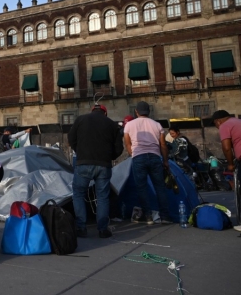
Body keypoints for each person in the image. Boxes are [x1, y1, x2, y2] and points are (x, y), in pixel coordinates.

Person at [68, 104, 123, 238]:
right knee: (102, 197)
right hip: (104, 165)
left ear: (92, 111)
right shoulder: (112, 125)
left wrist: (79, 152)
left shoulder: (80, 119)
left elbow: (71, 139)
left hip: (83, 163)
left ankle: (81, 227)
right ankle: (102, 229)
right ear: (105, 113)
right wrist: (109, 157)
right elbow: (118, 148)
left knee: (79, 194)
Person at [123, 101, 172, 225]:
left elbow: (128, 143)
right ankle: (165, 216)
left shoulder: (129, 125)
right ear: (149, 112)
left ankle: (148, 216)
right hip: (155, 157)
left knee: (142, 187)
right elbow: (163, 144)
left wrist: (133, 154)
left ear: (136, 111)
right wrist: (165, 161)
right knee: (160, 187)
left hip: (138, 157)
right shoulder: (157, 125)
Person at [212, 110, 241, 232]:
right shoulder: (238, 121)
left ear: (218, 121)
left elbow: (226, 147)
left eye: (215, 124)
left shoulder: (224, 125)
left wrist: (230, 164)